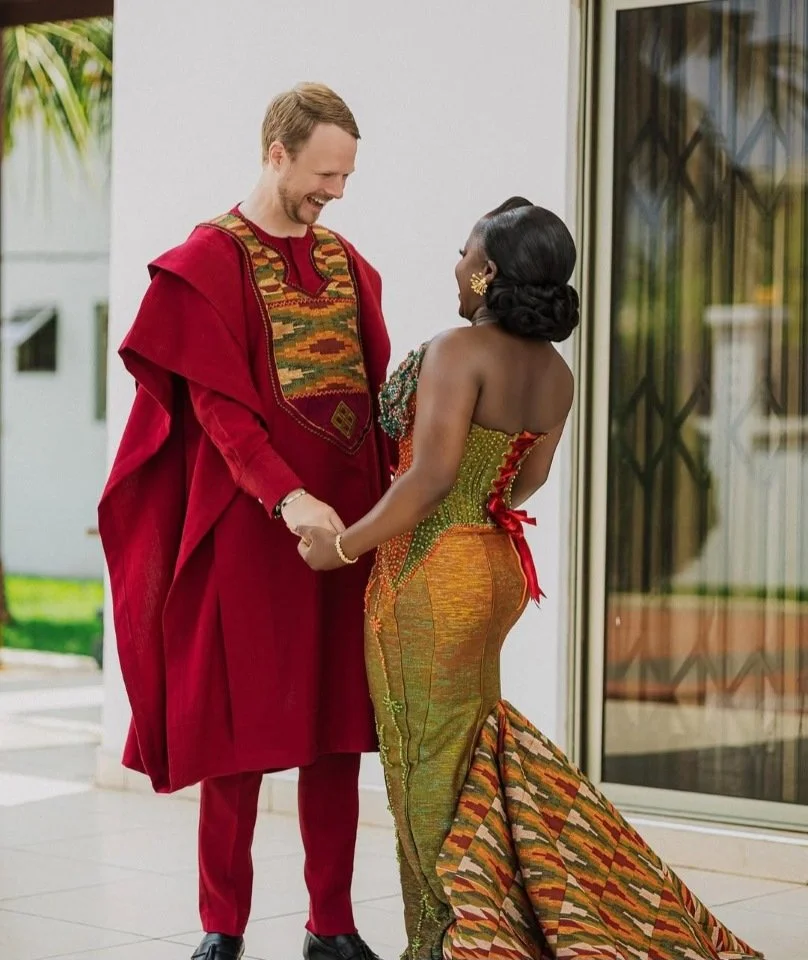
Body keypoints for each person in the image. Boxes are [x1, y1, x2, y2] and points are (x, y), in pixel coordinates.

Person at [298, 199, 763, 960]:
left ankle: (446, 944)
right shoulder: (556, 375)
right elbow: (519, 484)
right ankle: (489, 924)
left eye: (462, 253)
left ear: (485, 273)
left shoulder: (458, 351)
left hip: (428, 574)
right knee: (468, 753)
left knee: (423, 762)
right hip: (493, 566)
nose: (454, 265)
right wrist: (468, 501)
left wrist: (342, 548)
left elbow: (426, 480)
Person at [98, 83, 393, 960]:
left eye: (345, 176)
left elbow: (376, 401)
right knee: (236, 737)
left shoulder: (348, 262)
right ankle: (221, 931)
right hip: (250, 533)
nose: (335, 192)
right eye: (323, 173)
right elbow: (222, 414)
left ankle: (330, 928)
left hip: (347, 539)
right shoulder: (204, 264)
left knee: (337, 733)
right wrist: (287, 499)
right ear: (276, 152)